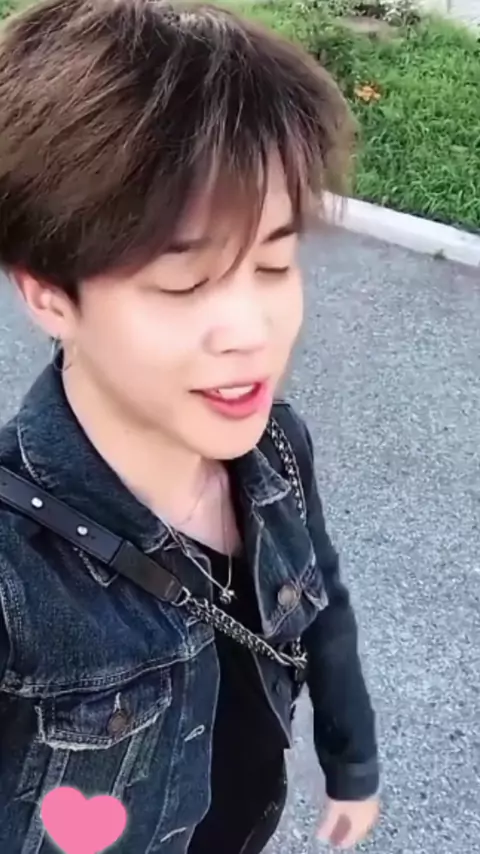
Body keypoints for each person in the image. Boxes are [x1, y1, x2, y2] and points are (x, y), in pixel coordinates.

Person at [0, 0, 380, 851]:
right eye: (184, 284)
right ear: (48, 294)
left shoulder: (277, 449)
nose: (252, 332)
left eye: (274, 264)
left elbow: (323, 608)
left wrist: (352, 762)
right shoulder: (12, 573)